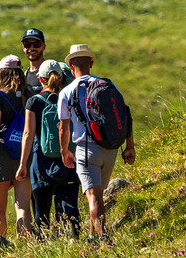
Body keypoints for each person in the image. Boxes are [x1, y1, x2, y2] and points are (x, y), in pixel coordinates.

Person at [57, 44, 135, 239]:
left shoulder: (66, 92)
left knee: (93, 196)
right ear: (90, 63)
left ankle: (103, 237)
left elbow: (63, 128)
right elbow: (125, 115)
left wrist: (64, 151)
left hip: (85, 149)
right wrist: (130, 147)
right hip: (110, 148)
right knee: (98, 195)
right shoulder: (108, 85)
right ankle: (93, 238)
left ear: (70, 65)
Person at [19, 60, 80, 238]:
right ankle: (74, 242)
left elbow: (28, 134)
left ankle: (42, 246)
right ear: (61, 77)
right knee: (69, 206)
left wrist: (23, 164)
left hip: (41, 161)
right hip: (67, 158)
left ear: (40, 78)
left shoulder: (33, 102)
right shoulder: (69, 98)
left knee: (41, 211)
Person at [0, 56, 35, 239]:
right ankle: (26, 245)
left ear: (3, 74)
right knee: (23, 206)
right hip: (24, 152)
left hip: (1, 151)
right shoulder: (30, 94)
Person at [20, 28, 48, 99]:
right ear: (23, 48)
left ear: (43, 47)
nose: (31, 48)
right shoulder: (24, 75)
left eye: (36, 44)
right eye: (27, 44)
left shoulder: (50, 71)